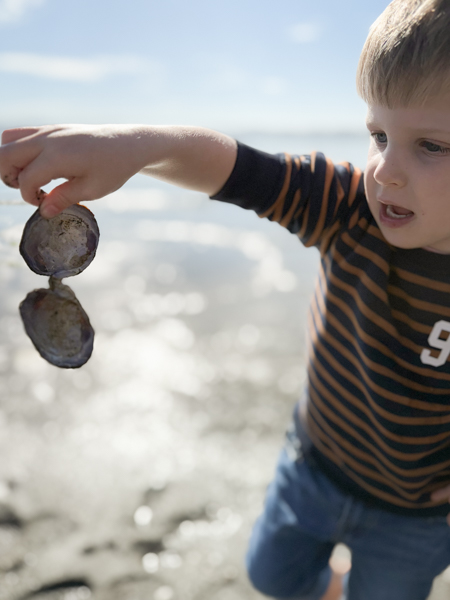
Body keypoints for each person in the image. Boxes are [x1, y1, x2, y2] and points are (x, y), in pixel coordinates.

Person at [2, 0, 450, 598]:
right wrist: (132, 147)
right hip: (313, 465)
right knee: (273, 576)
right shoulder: (347, 210)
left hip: (415, 519)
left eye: (431, 146)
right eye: (379, 135)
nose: (385, 171)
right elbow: (234, 168)